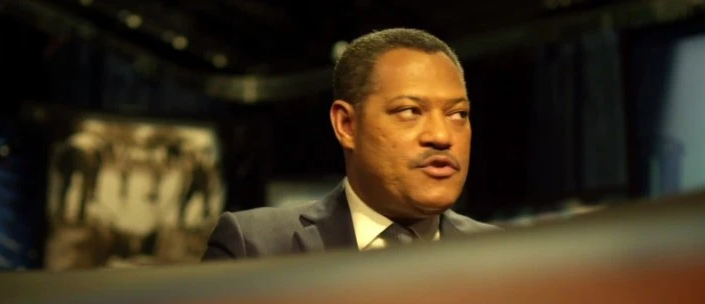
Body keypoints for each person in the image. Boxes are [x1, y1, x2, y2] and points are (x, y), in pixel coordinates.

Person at [202, 28, 497, 260]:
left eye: (458, 114)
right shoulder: (255, 247)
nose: (442, 136)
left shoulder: (502, 256)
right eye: (409, 111)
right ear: (346, 125)